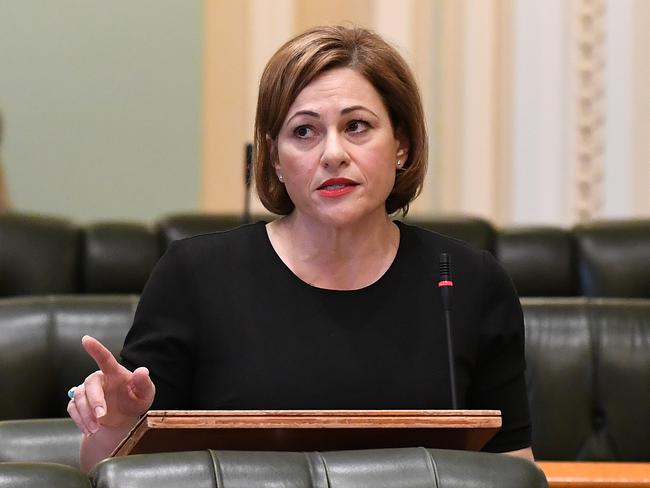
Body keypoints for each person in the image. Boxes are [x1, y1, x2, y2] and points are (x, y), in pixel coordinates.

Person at [67, 25, 533, 472]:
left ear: (402, 147)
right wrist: (118, 424)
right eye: (304, 132)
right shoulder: (194, 276)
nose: (332, 154)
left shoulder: (472, 284)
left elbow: (513, 470)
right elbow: (108, 471)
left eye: (356, 126)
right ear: (275, 158)